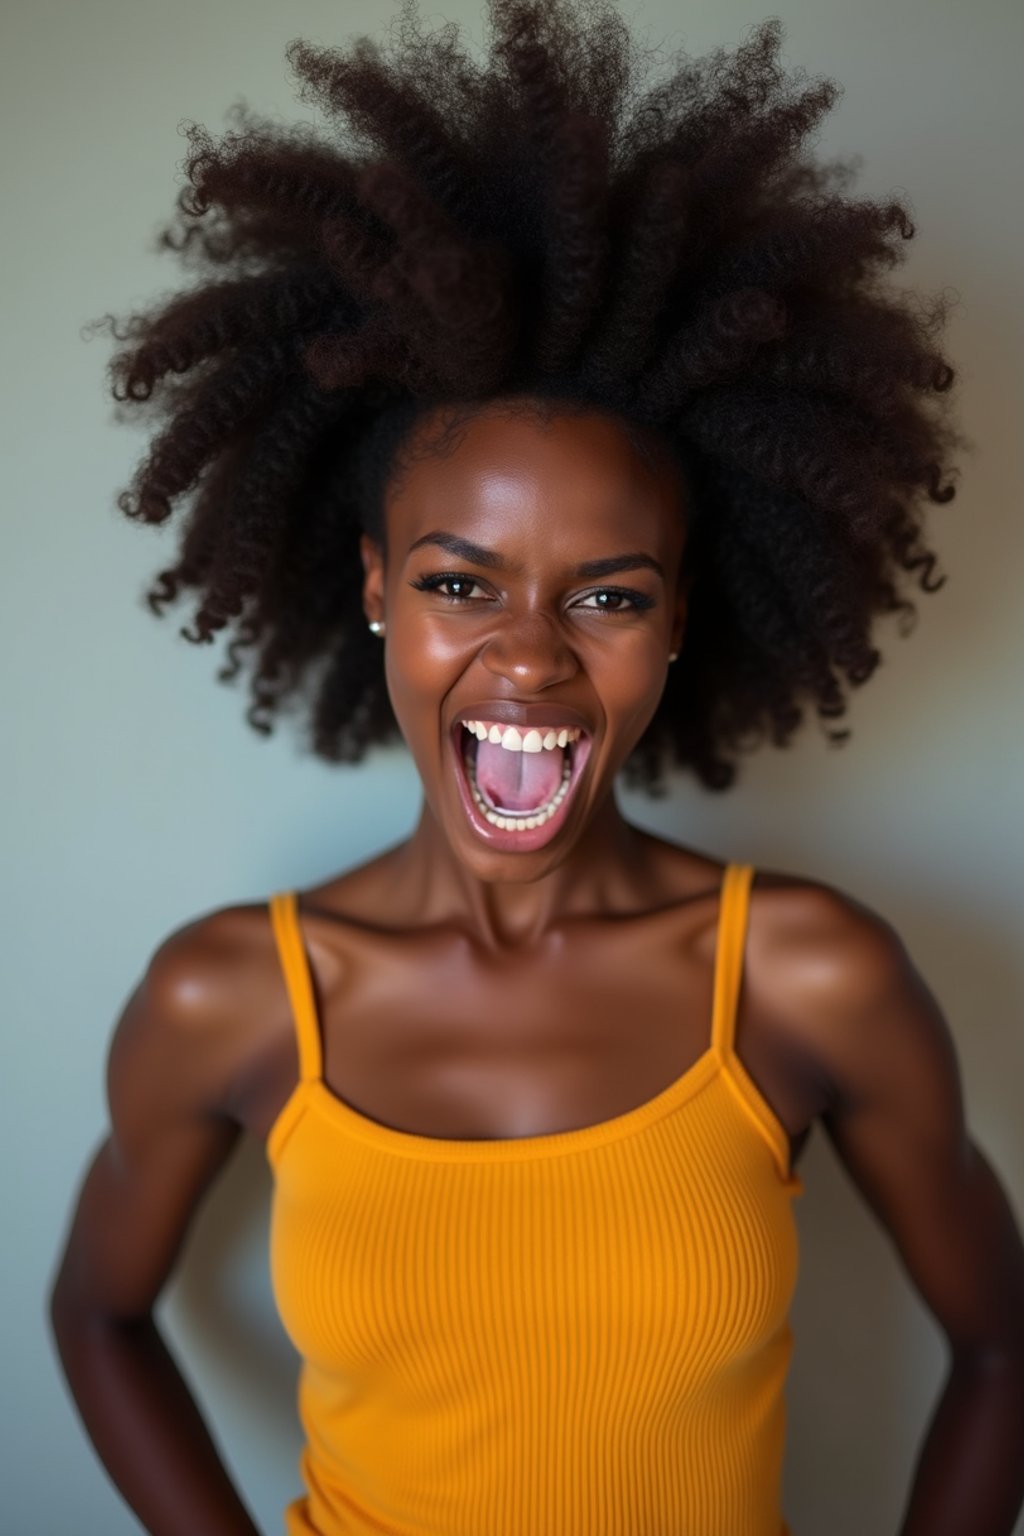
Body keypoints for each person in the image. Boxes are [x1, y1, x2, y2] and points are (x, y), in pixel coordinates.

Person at [47, 2, 1024, 1534]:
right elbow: (96, 1319)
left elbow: (1001, 1341)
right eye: (459, 583)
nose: (531, 654)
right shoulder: (228, 997)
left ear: (681, 618)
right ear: (373, 587)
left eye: (609, 595)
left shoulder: (807, 977)